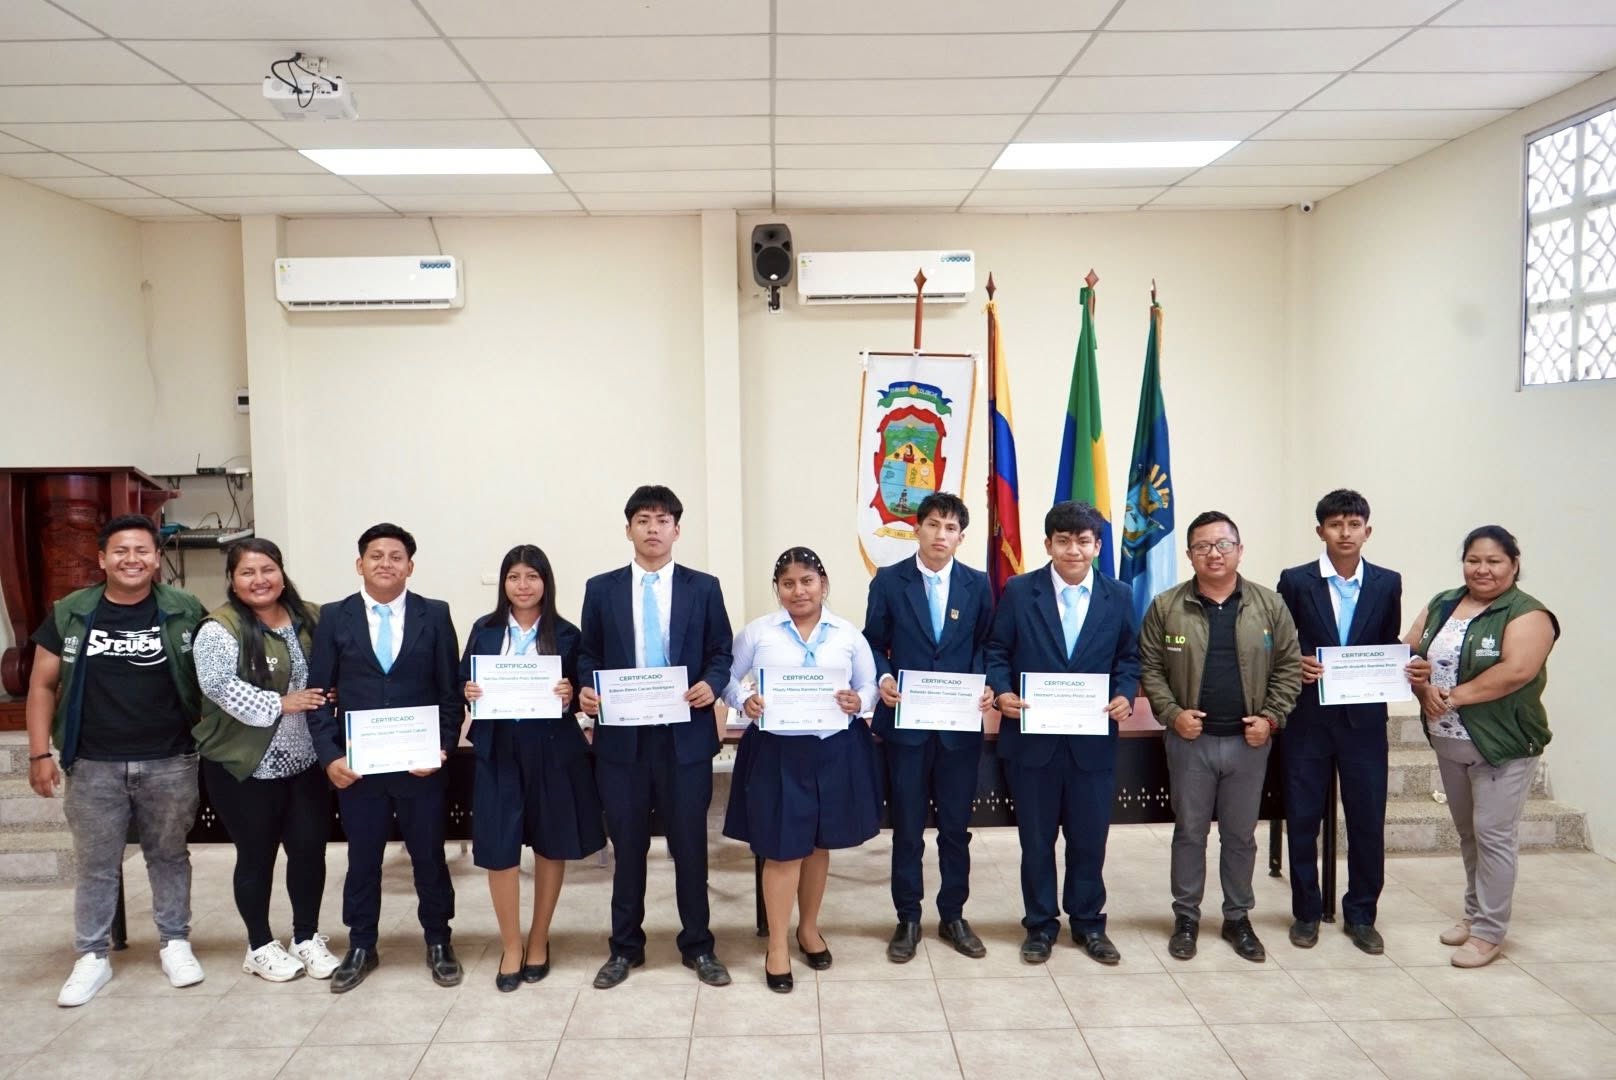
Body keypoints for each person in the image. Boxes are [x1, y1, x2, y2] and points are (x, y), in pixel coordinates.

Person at [24, 513, 207, 1007]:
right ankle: (92, 955)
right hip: (93, 762)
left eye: (142, 550)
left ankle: (175, 942)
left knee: (169, 856)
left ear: (157, 558)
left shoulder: (185, 609)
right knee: (96, 864)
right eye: (121, 551)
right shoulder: (71, 612)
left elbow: (212, 673)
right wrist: (39, 752)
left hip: (170, 758)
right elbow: (42, 685)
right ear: (102, 559)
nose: (132, 559)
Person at [576, 486, 735, 990]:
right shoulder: (601, 589)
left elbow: (721, 650)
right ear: (628, 529)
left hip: (683, 738)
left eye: (662, 520)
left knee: (690, 846)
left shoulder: (703, 587)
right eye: (643, 520)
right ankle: (625, 947)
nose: (652, 528)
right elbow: (588, 653)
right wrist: (587, 688)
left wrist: (712, 683)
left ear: (677, 530)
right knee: (628, 847)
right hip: (622, 741)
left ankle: (698, 945)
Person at [306, 522, 462, 993]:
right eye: (376, 556)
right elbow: (319, 694)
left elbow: (449, 693)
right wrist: (330, 756)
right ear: (360, 564)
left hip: (420, 766)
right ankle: (361, 944)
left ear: (410, 567)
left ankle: (439, 940)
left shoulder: (435, 614)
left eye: (396, 557)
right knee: (363, 859)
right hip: (360, 769)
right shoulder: (335, 616)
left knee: (429, 857)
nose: (386, 564)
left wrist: (441, 748)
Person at [1140, 511, 1302, 963]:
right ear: (1189, 554)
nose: (1214, 553)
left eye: (1223, 544)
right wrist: (1173, 715)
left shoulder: (1269, 605)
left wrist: (1271, 718)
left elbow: (1289, 667)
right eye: (1203, 546)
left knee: (1240, 835)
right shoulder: (1167, 606)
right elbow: (1150, 668)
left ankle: (1238, 917)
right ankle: (1186, 918)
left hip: (1248, 743)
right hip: (1190, 742)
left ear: (1239, 550)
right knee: (1190, 832)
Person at [985, 501, 1140, 966]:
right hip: (1032, 742)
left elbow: (1128, 658)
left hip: (1092, 741)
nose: (1074, 549)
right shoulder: (1019, 591)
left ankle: (1089, 923)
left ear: (1097, 546)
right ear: (1048, 544)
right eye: (1064, 540)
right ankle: (1039, 925)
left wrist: (1125, 694)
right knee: (1036, 841)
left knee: (1089, 839)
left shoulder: (1119, 595)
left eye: (1083, 541)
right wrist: (1002, 692)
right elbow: (997, 650)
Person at [724, 547, 882, 992]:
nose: (799, 591)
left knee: (817, 845)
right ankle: (777, 945)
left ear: (823, 584)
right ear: (777, 589)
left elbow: (868, 684)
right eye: (788, 583)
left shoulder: (847, 634)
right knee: (781, 848)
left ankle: (808, 929)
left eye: (807, 581)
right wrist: (744, 700)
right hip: (777, 751)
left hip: (834, 750)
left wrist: (860, 701)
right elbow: (727, 677)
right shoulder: (758, 633)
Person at [1404, 526, 1557, 969]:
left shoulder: (1529, 614)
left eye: (1494, 561)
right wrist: (1421, 687)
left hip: (1503, 745)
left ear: (1514, 564)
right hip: (1449, 740)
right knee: (1470, 833)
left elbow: (1516, 671)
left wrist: (1452, 697)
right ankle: (1474, 915)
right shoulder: (1443, 603)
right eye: (1474, 560)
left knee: (1493, 835)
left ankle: (1489, 932)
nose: (1482, 569)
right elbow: (1409, 652)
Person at [193, 538, 342, 982]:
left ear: (281, 572)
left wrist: (336, 691)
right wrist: (282, 703)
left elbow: (335, 667)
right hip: (244, 764)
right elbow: (218, 685)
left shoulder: (311, 616)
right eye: (247, 572)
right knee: (256, 855)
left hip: (306, 760)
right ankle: (258, 945)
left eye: (267, 570)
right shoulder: (218, 628)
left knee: (309, 851)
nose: (259, 580)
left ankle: (306, 937)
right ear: (232, 580)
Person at [460, 544, 605, 992]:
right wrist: (469, 690)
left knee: (549, 843)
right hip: (498, 749)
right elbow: (462, 680)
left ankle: (539, 937)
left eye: (532, 577)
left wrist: (571, 694)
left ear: (546, 582)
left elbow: (584, 691)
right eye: (514, 577)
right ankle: (511, 944)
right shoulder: (484, 630)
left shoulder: (567, 634)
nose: (523, 586)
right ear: (503, 583)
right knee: (499, 847)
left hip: (552, 749)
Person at [863, 493, 996, 963]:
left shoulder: (978, 584)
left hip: (958, 727)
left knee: (956, 828)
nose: (941, 535)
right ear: (917, 528)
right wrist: (882, 679)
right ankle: (908, 917)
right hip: (907, 727)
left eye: (951, 528)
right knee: (907, 828)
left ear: (962, 536)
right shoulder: (888, 581)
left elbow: (988, 644)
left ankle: (953, 915)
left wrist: (985, 684)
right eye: (934, 525)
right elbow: (872, 644)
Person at [1276, 489, 1402, 954]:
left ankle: (1362, 914)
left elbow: (1386, 639)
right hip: (1307, 718)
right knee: (1302, 818)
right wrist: (1296, 663)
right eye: (1335, 525)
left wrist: (1399, 666)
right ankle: (1306, 911)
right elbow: (1279, 641)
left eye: (1353, 525)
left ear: (1368, 530)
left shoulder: (1387, 583)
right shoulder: (1295, 580)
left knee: (1367, 819)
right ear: (1320, 531)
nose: (1345, 533)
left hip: (1364, 721)